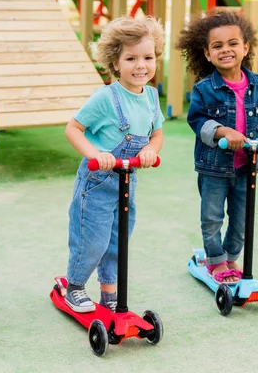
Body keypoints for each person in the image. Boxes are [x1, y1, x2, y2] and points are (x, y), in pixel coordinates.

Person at [64, 16, 165, 313]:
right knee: (92, 238)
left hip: (127, 180)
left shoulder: (152, 97)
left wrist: (149, 149)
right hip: (97, 182)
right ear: (115, 61)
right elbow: (73, 129)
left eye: (147, 57)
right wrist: (95, 155)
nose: (141, 65)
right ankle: (75, 287)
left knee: (119, 239)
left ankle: (109, 292)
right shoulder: (106, 97)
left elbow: (157, 136)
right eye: (131, 58)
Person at [176, 11, 258, 284]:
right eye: (217, 46)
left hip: (248, 166)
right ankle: (215, 261)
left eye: (233, 43)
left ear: (246, 48)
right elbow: (197, 120)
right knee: (212, 217)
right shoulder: (203, 89)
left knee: (242, 218)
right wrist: (223, 131)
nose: (226, 49)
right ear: (207, 54)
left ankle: (231, 256)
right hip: (214, 167)